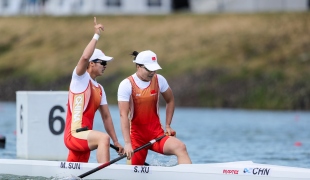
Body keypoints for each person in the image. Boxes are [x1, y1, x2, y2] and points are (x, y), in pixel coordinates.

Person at [64, 17, 123, 163]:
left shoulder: (100, 89)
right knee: (103, 139)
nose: (105, 65)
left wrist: (116, 142)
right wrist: (96, 35)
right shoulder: (79, 79)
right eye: (102, 62)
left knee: (72, 174)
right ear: (91, 63)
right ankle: (105, 175)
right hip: (74, 135)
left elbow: (107, 117)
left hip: (85, 136)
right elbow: (84, 56)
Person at [117, 50, 192, 165]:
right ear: (138, 66)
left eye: (154, 69)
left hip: (157, 135)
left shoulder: (159, 80)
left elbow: (170, 100)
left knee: (181, 147)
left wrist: (168, 125)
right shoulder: (126, 84)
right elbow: (123, 115)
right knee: (132, 173)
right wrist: (127, 144)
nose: (152, 72)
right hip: (136, 139)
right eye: (149, 69)